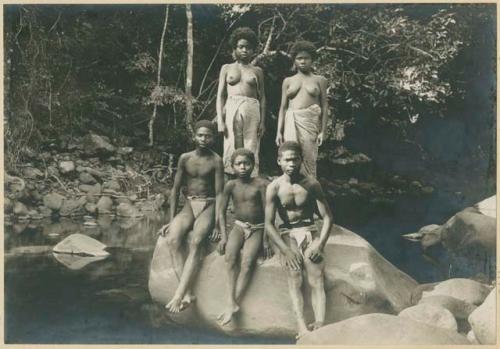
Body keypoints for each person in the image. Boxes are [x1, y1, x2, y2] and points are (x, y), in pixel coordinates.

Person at [264, 141, 333, 339]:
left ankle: (320, 323)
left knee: (316, 275)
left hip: (309, 231)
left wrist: (320, 244)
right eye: (287, 160)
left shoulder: (312, 184)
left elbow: (327, 217)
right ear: (279, 161)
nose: (291, 163)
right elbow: (269, 224)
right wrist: (285, 250)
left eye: (295, 159)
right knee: (295, 275)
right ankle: (301, 326)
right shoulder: (274, 187)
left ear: (302, 160)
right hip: (287, 233)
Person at [159, 120, 224, 313]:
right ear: (194, 136)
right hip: (189, 204)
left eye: (208, 136)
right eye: (200, 135)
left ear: (213, 138)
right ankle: (187, 293)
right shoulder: (185, 158)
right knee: (172, 239)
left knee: (196, 242)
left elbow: (220, 193)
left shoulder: (216, 160)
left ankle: (178, 295)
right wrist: (171, 220)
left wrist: (218, 225)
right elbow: (176, 189)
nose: (204, 139)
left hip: (209, 204)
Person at [216, 148, 272, 326]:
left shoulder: (261, 184)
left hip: (258, 228)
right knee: (230, 257)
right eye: (238, 164)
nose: (242, 167)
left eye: (246, 163)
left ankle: (232, 303)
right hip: (239, 227)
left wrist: (266, 239)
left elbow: (268, 213)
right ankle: (230, 302)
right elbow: (221, 212)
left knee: (247, 262)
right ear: (232, 166)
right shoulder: (231, 185)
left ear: (253, 165)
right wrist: (224, 236)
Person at [216, 27, 266, 177]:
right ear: (235, 48)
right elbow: (220, 95)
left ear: (253, 50)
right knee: (231, 143)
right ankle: (231, 180)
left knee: (251, 144)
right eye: (241, 47)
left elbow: (262, 97)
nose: (244, 50)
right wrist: (220, 120)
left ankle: (251, 181)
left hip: (251, 108)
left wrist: (263, 122)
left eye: (248, 48)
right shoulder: (226, 68)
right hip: (231, 106)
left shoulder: (257, 71)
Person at [275, 40, 329, 177]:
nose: (303, 61)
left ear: (312, 60)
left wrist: (323, 131)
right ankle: (291, 190)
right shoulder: (288, 81)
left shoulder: (320, 80)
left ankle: (310, 189)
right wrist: (278, 132)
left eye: (306, 58)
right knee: (291, 154)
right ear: (294, 60)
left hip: (310, 123)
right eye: (299, 58)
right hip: (290, 122)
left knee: (309, 157)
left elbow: (324, 106)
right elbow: (283, 107)